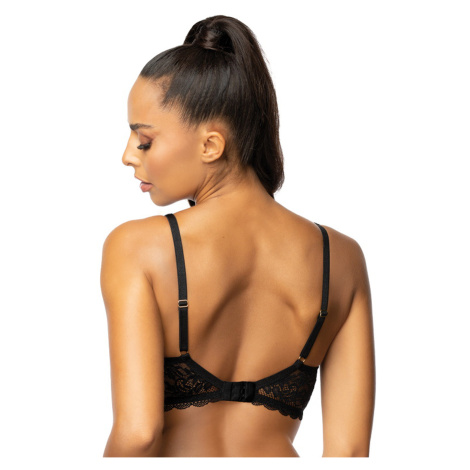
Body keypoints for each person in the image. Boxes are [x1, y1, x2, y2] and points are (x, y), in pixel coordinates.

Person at [101, 14, 375, 458]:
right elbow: (349, 453)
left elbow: (139, 433)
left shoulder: (137, 248)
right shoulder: (340, 258)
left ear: (211, 145)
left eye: (144, 140)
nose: (127, 156)